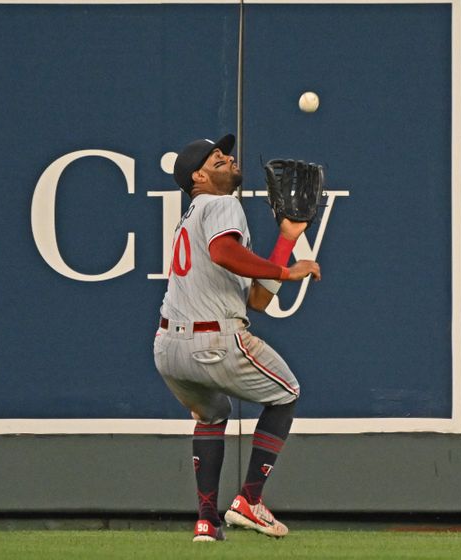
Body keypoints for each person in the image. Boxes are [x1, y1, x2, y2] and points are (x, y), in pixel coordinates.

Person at [154, 134, 321, 542]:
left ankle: (207, 522)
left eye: (225, 154)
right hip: (213, 342)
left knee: (212, 415)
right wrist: (288, 271)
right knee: (286, 393)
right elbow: (225, 254)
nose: (228, 157)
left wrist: (287, 237)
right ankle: (249, 500)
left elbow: (259, 299)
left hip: (168, 350)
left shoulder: (195, 215)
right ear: (198, 176)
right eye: (216, 158)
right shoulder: (221, 204)